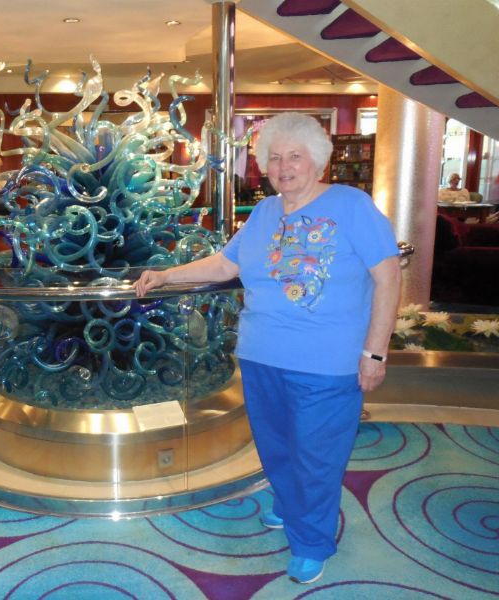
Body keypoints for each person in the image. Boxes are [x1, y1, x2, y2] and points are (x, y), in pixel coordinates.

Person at [134, 112, 401, 585]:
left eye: (294, 156)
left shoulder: (351, 205)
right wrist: (166, 275)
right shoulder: (264, 212)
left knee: (316, 456)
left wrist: (375, 352)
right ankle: (288, 502)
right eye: (274, 157)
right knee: (276, 445)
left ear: (318, 160)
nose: (283, 166)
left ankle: (311, 542)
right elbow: (224, 265)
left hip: (327, 363)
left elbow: (388, 278)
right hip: (261, 356)